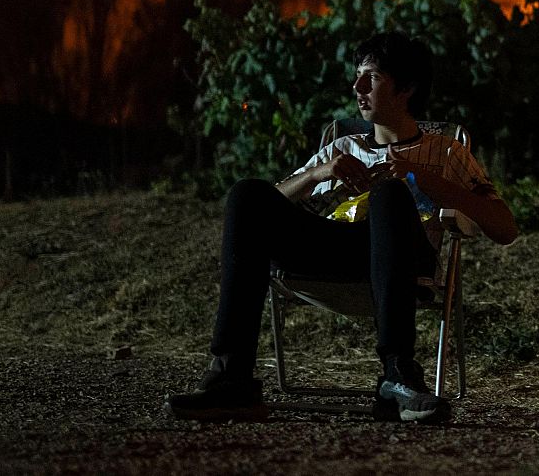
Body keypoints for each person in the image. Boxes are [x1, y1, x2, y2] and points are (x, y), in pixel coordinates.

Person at [166, 32, 518, 424]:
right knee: (248, 195)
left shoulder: (447, 151)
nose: (357, 87)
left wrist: (423, 179)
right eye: (356, 76)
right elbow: (269, 205)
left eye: (372, 77)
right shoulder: (344, 148)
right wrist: (320, 172)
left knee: (389, 196)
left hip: (404, 259)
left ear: (406, 88)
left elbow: (504, 227)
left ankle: (398, 375)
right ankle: (231, 377)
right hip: (340, 252)